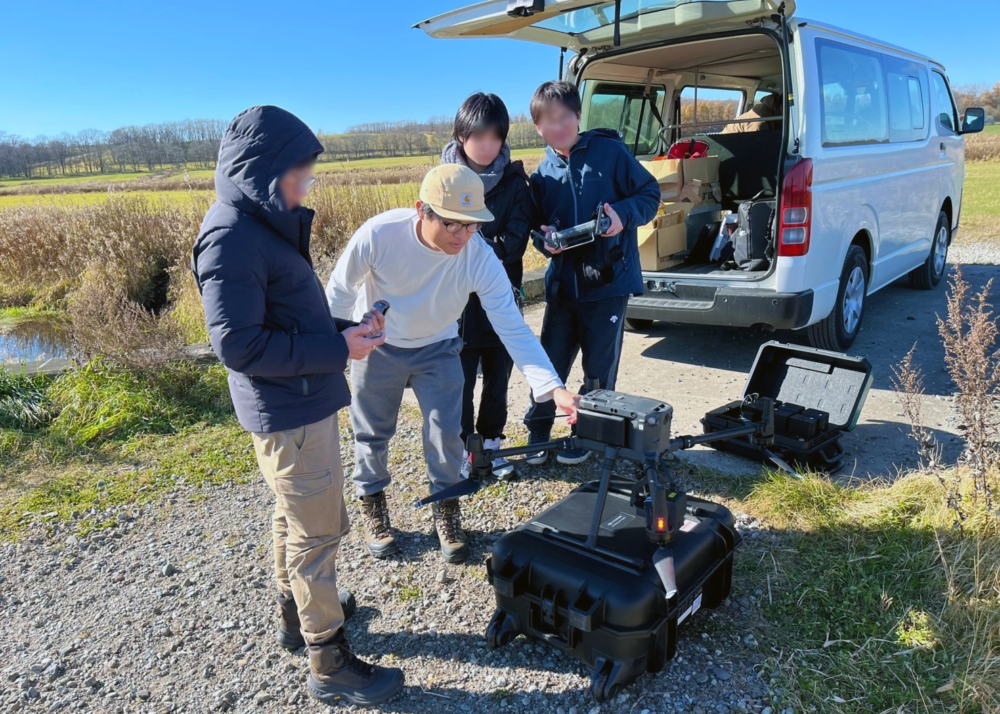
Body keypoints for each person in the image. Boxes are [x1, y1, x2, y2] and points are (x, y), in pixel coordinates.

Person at [191, 106, 403, 707]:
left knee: (292, 515)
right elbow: (238, 344)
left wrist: (346, 329)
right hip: (290, 409)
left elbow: (286, 319)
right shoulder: (232, 236)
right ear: (266, 170)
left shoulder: (258, 225)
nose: (307, 184)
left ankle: (294, 613)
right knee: (318, 531)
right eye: (301, 173)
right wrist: (336, 346)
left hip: (296, 400)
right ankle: (328, 659)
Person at [326, 164, 580, 564]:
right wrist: (344, 337)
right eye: (451, 224)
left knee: (447, 433)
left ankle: (447, 508)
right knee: (372, 432)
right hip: (379, 345)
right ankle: (373, 503)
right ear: (421, 211)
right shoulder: (379, 235)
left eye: (472, 224)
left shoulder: (478, 256)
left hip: (440, 345)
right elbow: (339, 292)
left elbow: (512, 326)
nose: (462, 236)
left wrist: (554, 388)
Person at [523, 81, 660, 466]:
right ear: (538, 127)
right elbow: (536, 227)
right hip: (563, 287)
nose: (559, 126)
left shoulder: (610, 152)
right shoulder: (542, 175)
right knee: (550, 361)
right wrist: (544, 240)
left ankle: (588, 433)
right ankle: (538, 430)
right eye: (549, 121)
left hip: (609, 281)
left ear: (578, 116)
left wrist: (622, 216)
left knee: (599, 367)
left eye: (565, 117)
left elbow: (649, 196)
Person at [441, 93, 532, 478]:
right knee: (458, 379)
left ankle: (491, 445)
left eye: (495, 136)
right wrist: (479, 245)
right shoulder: (443, 180)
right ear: (462, 135)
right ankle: (464, 449)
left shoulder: (514, 180)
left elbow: (516, 238)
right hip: (456, 302)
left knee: (499, 376)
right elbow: (437, 238)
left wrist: (470, 244)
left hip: (501, 295)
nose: (487, 144)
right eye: (478, 135)